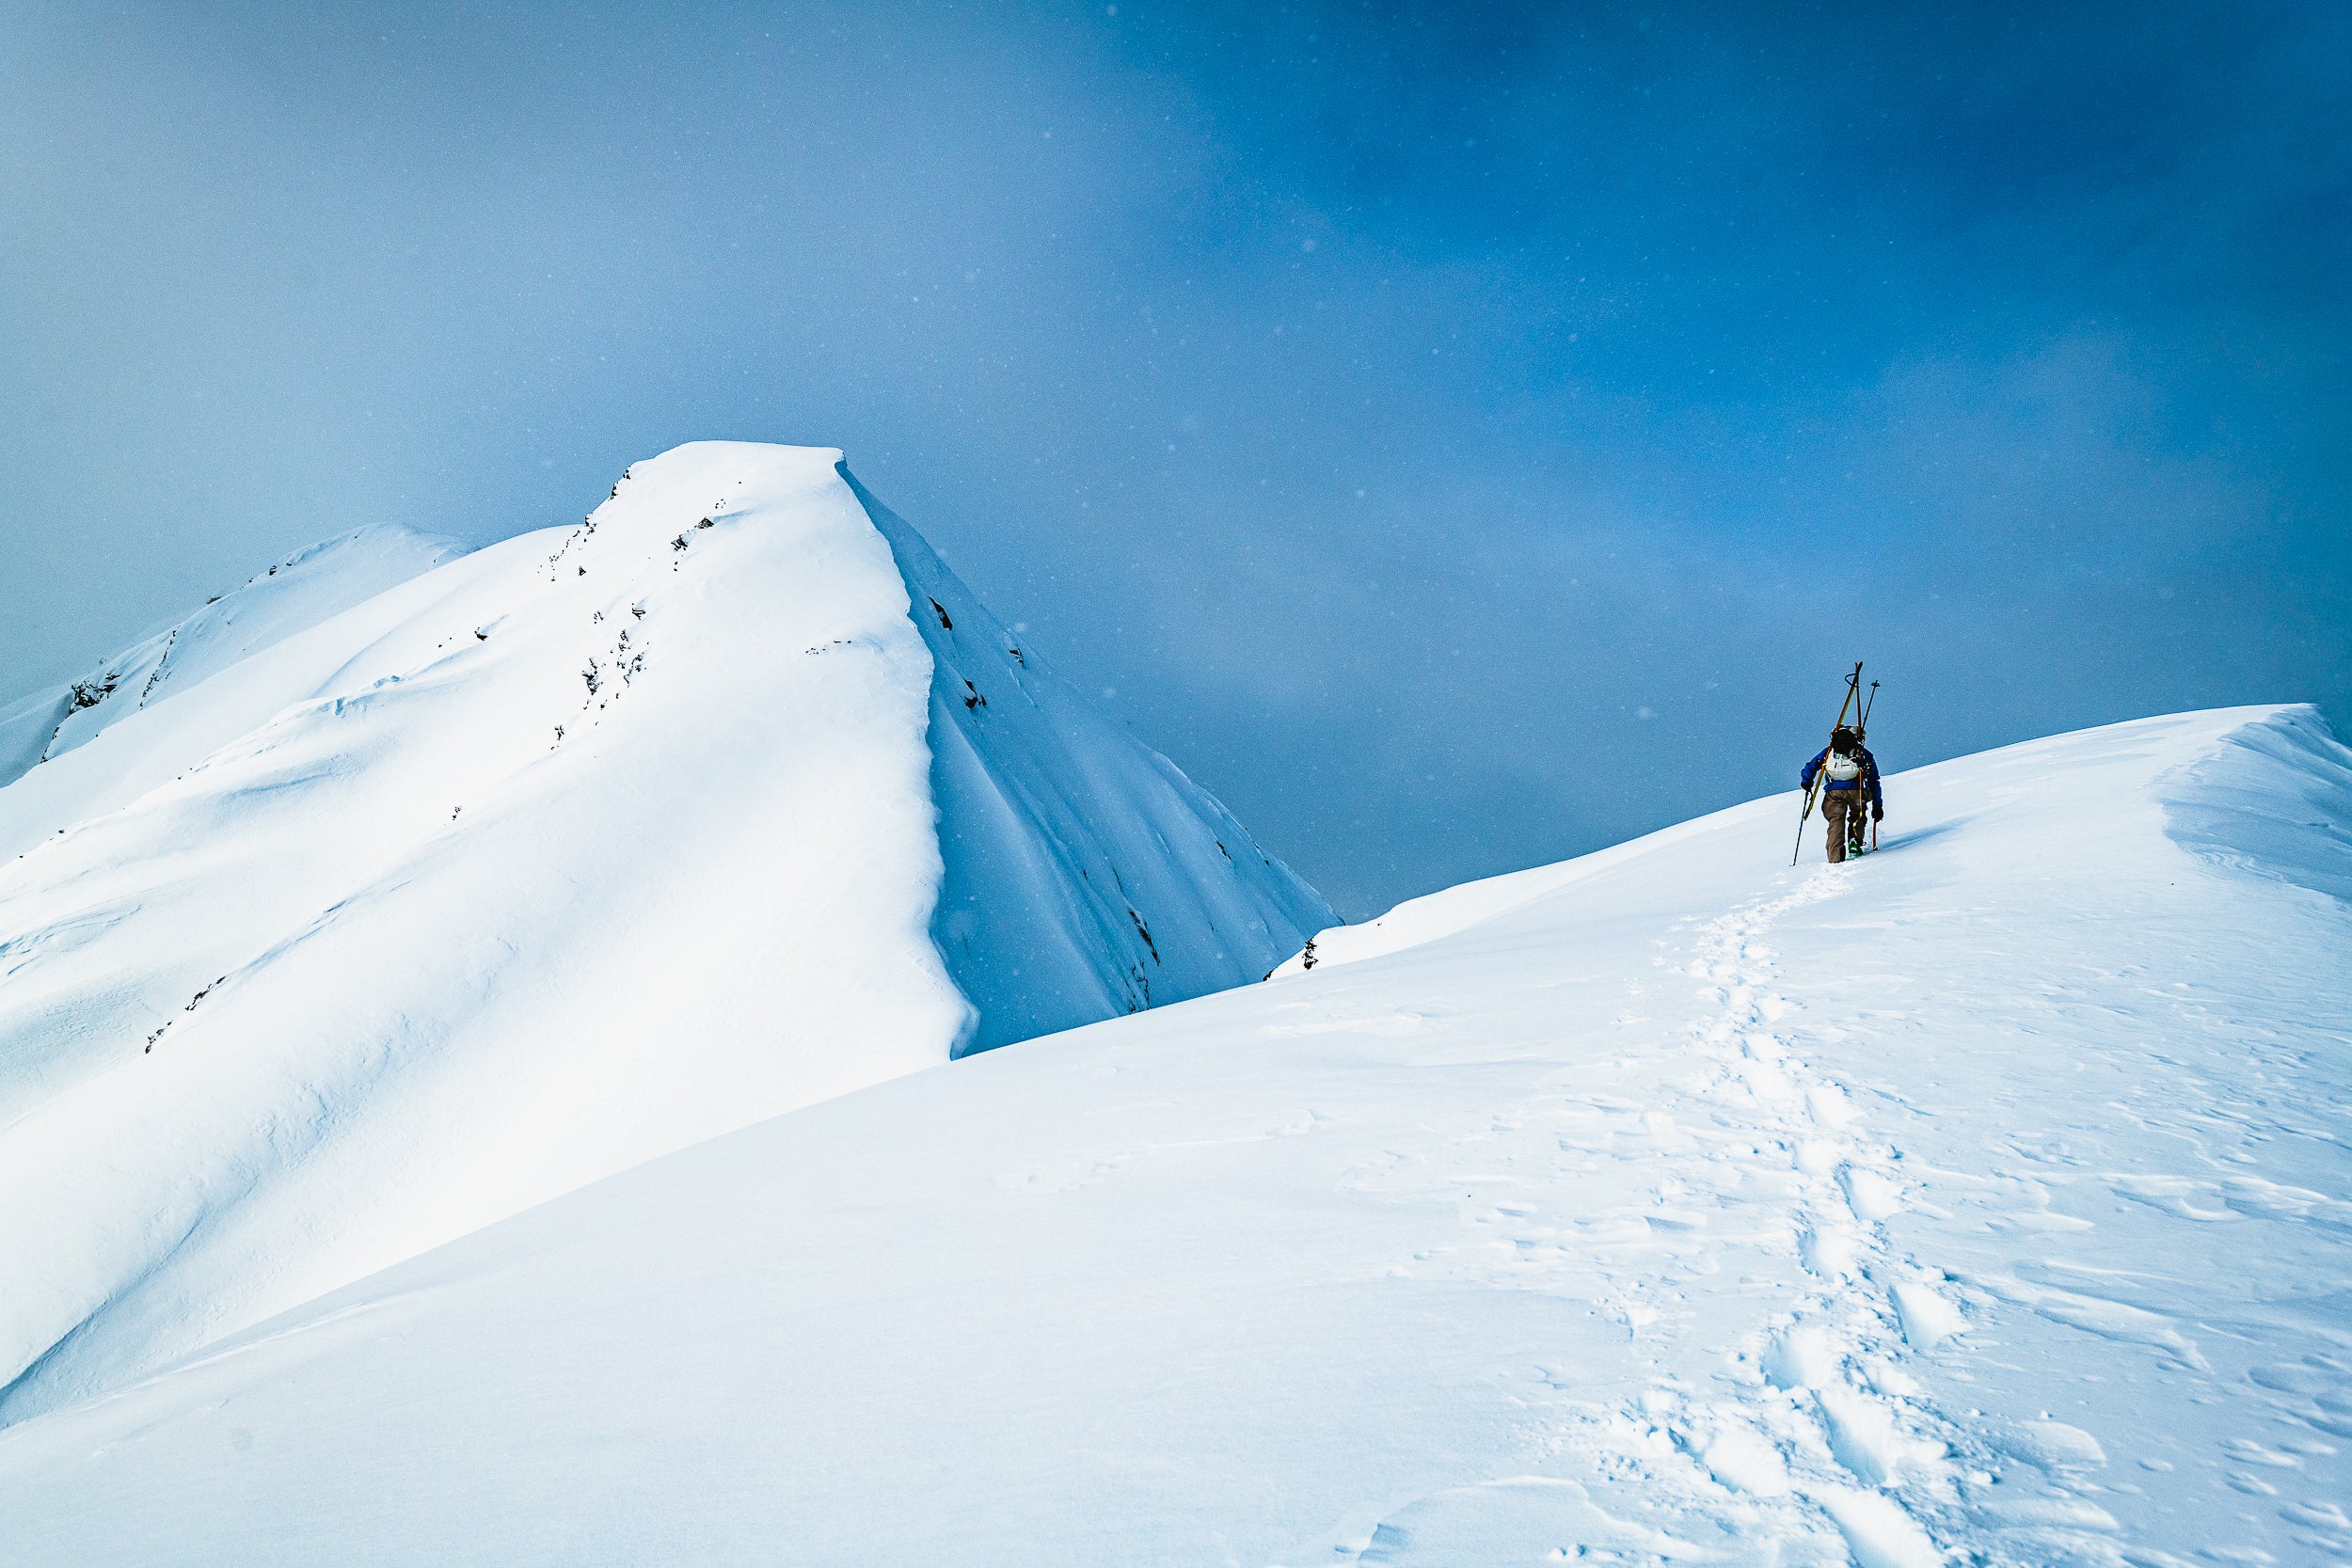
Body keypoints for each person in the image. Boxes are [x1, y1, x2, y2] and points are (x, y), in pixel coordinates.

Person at [1802, 725, 1883, 863]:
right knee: (1858, 815)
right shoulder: (1863, 753)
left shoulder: (1829, 752)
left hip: (1833, 792)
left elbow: (1811, 766)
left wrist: (1806, 781)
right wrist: (1877, 805)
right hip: (1856, 790)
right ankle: (1855, 841)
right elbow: (1873, 780)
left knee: (1835, 822)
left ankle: (1835, 856)